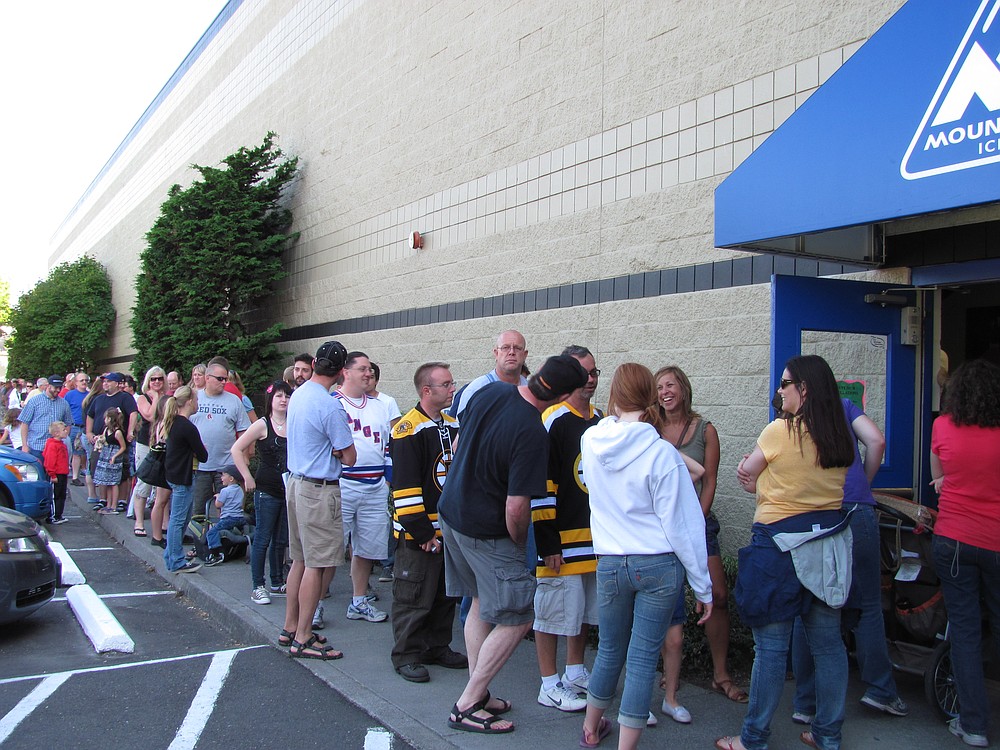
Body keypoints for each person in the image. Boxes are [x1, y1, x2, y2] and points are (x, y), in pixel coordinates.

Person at [437, 354, 588, 735]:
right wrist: (518, 546)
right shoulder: (534, 432)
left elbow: (463, 441)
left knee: (481, 605)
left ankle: (479, 689)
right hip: (486, 531)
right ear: (564, 396)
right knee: (518, 616)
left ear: (535, 374)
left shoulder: (491, 393)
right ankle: (467, 704)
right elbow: (517, 508)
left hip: (451, 514)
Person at [721, 355, 856, 750]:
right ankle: (828, 736)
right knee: (829, 646)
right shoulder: (840, 435)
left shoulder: (779, 431)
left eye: (785, 384)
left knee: (771, 649)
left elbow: (747, 478)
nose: (780, 391)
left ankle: (753, 739)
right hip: (827, 545)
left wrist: (752, 468)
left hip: (777, 547)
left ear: (805, 389)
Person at [578, 363, 712, 750]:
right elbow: (684, 527)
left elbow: (610, 437)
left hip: (610, 562)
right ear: (651, 397)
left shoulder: (592, 440)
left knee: (609, 649)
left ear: (615, 396)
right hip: (657, 564)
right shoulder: (661, 453)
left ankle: (590, 728)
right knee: (641, 658)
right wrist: (703, 586)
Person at [791, 397, 907, 724]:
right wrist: (863, 486)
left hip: (813, 514)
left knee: (809, 602)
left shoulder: (794, 413)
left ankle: (805, 701)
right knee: (868, 603)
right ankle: (880, 690)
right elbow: (876, 440)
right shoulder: (842, 405)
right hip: (855, 508)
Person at [655, 365, 746, 723]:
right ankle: (670, 671)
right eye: (660, 387)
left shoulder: (706, 430)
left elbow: (708, 482)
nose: (665, 392)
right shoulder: (651, 427)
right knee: (666, 601)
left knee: (718, 595)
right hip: (660, 530)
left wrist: (695, 522)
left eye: (671, 385)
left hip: (698, 525)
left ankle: (720, 674)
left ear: (684, 388)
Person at [929, 358, 1000, 749]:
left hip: (954, 538)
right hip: (997, 539)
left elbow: (938, 478)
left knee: (966, 633)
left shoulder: (942, 427)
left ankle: (973, 725)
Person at [532, 346, 602, 713]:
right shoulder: (552, 419)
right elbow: (542, 484)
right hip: (560, 540)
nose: (590, 379)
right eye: (584, 373)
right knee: (552, 612)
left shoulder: (601, 419)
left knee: (584, 612)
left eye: (595, 373)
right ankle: (548, 682)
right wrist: (547, 541)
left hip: (595, 540)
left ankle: (575, 671)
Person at [389, 362, 466, 683]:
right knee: (414, 593)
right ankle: (406, 653)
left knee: (444, 595)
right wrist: (421, 532)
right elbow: (404, 488)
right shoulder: (407, 429)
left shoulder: (451, 424)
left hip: (447, 531)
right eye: (446, 385)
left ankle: (437, 645)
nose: (452, 389)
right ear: (426, 391)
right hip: (418, 533)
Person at [282, 340, 356, 660]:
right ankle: (304, 636)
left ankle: (290, 627)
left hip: (296, 484)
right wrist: (338, 450)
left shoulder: (299, 394)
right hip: (318, 490)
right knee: (317, 564)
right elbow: (350, 456)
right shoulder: (330, 405)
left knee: (299, 559)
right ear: (341, 372)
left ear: (313, 363)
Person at [333, 351, 392, 624]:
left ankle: (359, 601)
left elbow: (390, 445)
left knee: (367, 549)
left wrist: (388, 479)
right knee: (331, 550)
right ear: (346, 372)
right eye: (363, 369)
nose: (369, 373)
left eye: (370, 369)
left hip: (375, 485)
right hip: (342, 485)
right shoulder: (332, 403)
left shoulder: (381, 406)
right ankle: (316, 604)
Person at [231, 380, 292, 605]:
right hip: (266, 489)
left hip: (288, 490)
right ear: (271, 400)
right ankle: (258, 585)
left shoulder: (294, 422)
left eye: (287, 396)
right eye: (279, 396)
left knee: (281, 539)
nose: (283, 400)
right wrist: (247, 476)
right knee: (263, 537)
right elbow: (237, 449)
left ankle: (276, 581)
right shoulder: (262, 424)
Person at [189, 360, 250, 519]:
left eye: (226, 379)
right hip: (200, 466)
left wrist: (243, 457)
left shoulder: (234, 401)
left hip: (226, 465)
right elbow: (183, 427)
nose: (224, 382)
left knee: (227, 508)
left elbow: (244, 431)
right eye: (220, 379)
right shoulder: (195, 398)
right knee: (199, 509)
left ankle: (224, 540)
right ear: (207, 378)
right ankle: (200, 541)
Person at [162, 386, 209, 573]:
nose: (197, 403)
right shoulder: (187, 426)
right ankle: (176, 560)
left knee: (181, 518)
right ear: (189, 401)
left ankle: (171, 556)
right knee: (178, 520)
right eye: (196, 400)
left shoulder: (172, 422)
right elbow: (203, 455)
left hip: (175, 474)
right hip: (184, 476)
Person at [85, 373, 138, 509]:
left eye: (109, 381)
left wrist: (131, 431)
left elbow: (133, 413)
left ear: (117, 383)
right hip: (100, 442)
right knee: (100, 470)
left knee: (121, 471)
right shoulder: (98, 399)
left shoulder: (125, 397)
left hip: (118, 441)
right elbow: (90, 416)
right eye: (104, 382)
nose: (105, 384)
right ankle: (103, 499)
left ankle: (121, 501)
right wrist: (89, 432)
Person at [450, 329, 529, 420]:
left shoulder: (531, 391)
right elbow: (463, 430)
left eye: (517, 348)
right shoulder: (477, 389)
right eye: (505, 347)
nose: (511, 352)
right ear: (496, 353)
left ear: (525, 355)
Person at [127, 366, 167, 536]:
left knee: (163, 483)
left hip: (163, 443)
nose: (156, 382)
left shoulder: (168, 398)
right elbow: (150, 416)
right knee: (144, 481)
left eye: (160, 379)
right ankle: (139, 521)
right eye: (153, 379)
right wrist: (156, 397)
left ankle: (164, 523)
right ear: (148, 381)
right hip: (145, 443)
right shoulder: (143, 398)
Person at [18, 375, 72, 461]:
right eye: (55, 387)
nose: (58, 390)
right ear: (48, 386)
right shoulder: (34, 401)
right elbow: (24, 423)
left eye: (60, 387)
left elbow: (68, 423)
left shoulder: (64, 403)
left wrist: (63, 439)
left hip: (56, 448)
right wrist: (24, 445)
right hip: (37, 447)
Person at [203, 465, 247, 566]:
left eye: (223, 476)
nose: (221, 478)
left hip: (228, 518)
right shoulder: (240, 490)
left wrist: (218, 497)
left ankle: (215, 554)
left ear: (231, 479)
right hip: (240, 518)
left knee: (211, 532)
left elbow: (218, 505)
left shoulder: (225, 491)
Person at [93, 407, 128, 515]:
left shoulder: (118, 432)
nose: (104, 420)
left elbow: (123, 447)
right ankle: (108, 504)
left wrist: (115, 456)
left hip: (114, 458)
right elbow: (104, 438)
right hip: (106, 456)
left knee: (114, 482)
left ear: (110, 419)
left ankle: (113, 506)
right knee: (107, 481)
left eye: (106, 418)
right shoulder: (106, 430)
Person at [64, 372, 91, 485]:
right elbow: (65, 410)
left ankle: (90, 476)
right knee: (76, 452)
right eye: (81, 380)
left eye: (86, 380)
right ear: (75, 383)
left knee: (88, 453)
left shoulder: (90, 395)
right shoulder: (70, 395)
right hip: (74, 427)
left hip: (86, 427)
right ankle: (75, 476)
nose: (84, 382)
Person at [43, 421, 71, 525]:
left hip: (62, 472)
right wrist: (52, 474)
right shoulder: (52, 445)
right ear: (56, 433)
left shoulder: (60, 444)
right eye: (63, 430)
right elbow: (50, 461)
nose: (66, 431)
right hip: (56, 474)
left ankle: (59, 515)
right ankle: (53, 516)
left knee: (61, 494)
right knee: (56, 495)